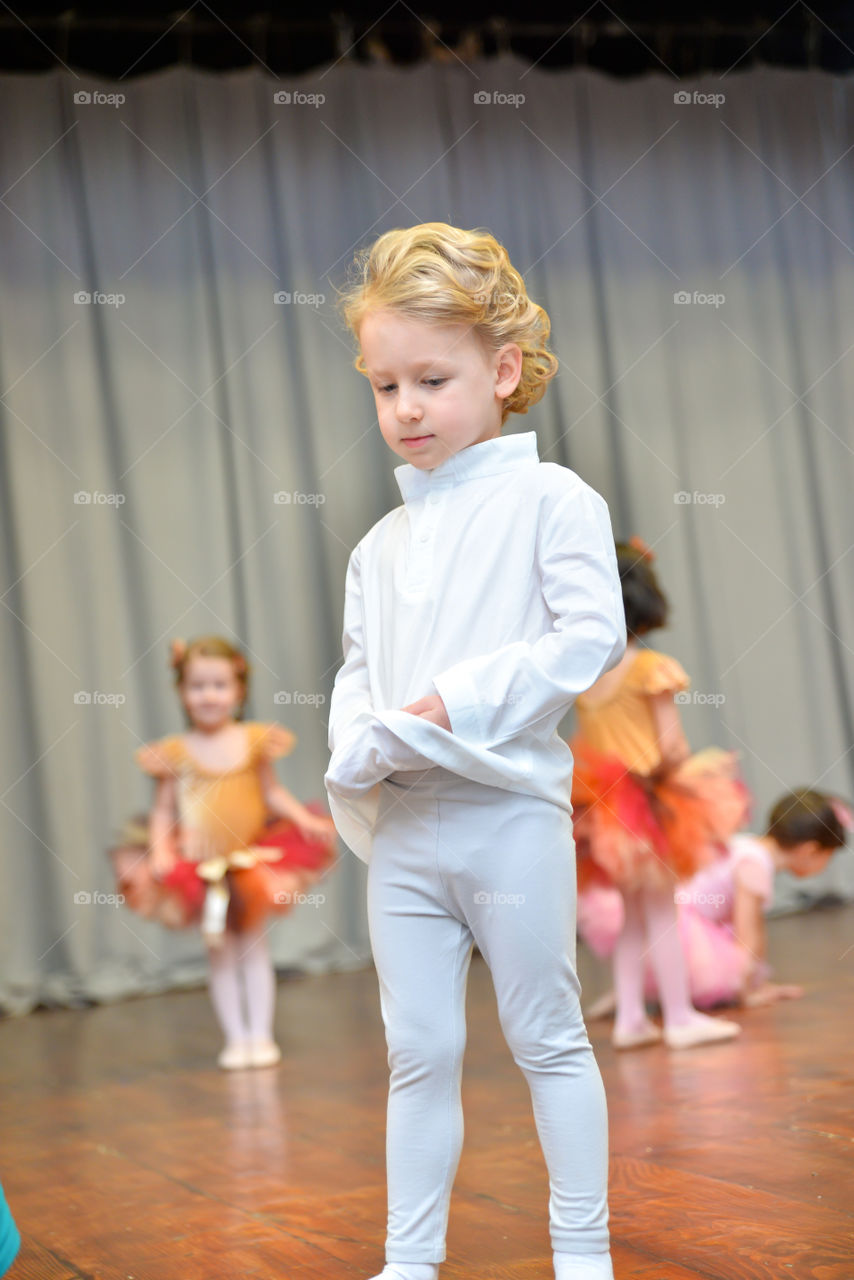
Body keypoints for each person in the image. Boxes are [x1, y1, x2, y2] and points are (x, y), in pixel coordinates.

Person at [325, 222, 626, 1280]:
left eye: (429, 378)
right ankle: (409, 1260)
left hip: (506, 818)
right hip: (405, 826)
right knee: (418, 1051)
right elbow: (356, 674)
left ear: (502, 372)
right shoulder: (376, 543)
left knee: (545, 1034)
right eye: (382, 385)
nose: (402, 407)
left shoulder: (553, 500)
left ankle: (581, 1254)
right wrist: (354, 748)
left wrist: (453, 701)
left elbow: (587, 640)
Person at [110, 636, 336, 1069]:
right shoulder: (174, 753)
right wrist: (160, 850)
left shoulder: (254, 740)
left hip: (252, 860)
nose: (208, 695)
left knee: (253, 946)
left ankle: (261, 1036)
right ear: (181, 692)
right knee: (220, 950)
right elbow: (162, 811)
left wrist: (305, 821)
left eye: (219, 685)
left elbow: (272, 794)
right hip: (202, 866)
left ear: (239, 690)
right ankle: (235, 1038)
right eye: (197, 686)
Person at [570, 538, 750, 1050]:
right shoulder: (652, 669)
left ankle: (630, 1018)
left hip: (603, 808)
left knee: (631, 914)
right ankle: (679, 1017)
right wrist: (678, 770)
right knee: (662, 912)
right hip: (649, 802)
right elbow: (671, 748)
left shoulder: (587, 678)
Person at [580, 789, 850, 1012]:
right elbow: (748, 935)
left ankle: (632, 993)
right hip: (679, 927)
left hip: (659, 920)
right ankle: (641, 995)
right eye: (828, 856)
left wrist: (760, 982)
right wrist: (747, 993)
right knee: (717, 975)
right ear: (810, 850)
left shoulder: (746, 846)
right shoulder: (756, 863)